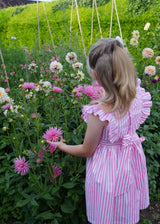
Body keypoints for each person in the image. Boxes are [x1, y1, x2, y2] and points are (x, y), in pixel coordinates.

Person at [47, 38, 152, 224]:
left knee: (106, 211)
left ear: (95, 75)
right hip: (128, 164)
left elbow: (87, 150)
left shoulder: (100, 113)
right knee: (124, 207)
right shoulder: (137, 97)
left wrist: (62, 146)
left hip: (108, 171)